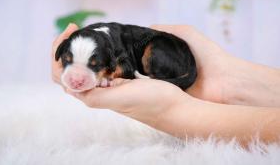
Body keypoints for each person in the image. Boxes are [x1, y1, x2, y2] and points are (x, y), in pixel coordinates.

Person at [52, 23, 280, 146]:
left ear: (110, 60)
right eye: (68, 62)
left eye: (94, 66)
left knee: (153, 50)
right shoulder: (101, 43)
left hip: (171, 55)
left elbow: (126, 69)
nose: (76, 76)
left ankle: (160, 76)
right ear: (62, 53)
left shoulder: (115, 52)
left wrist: (172, 111)